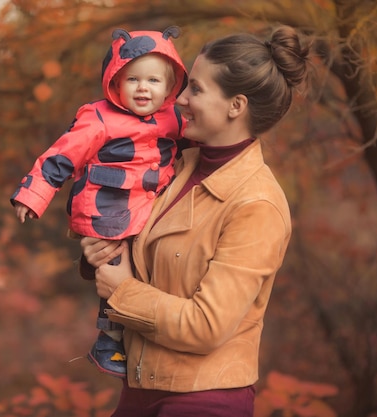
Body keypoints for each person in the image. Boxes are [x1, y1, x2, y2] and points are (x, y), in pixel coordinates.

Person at [79, 25, 310, 417]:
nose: (179, 98)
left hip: (205, 400)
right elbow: (148, 261)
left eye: (196, 90)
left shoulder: (257, 204)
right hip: (139, 390)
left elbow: (206, 326)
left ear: (236, 106)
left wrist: (124, 290)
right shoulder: (173, 164)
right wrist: (100, 252)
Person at [10, 27, 188, 378]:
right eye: (132, 79)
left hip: (149, 208)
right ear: (115, 81)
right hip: (109, 207)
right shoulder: (99, 118)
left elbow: (200, 144)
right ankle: (108, 341)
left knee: (148, 266)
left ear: (170, 88)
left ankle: (140, 335)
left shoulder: (175, 118)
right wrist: (33, 195)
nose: (142, 88)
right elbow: (61, 156)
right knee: (114, 265)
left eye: (153, 80)